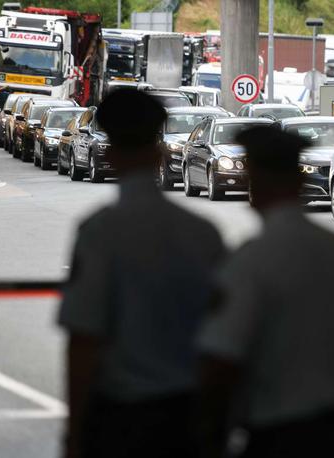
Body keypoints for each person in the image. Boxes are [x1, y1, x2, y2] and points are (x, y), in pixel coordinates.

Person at [197, 126, 334, 458]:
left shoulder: (249, 263)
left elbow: (221, 359)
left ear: (253, 187)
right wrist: (333, 385)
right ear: (301, 183)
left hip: (276, 435)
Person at [58, 89, 226, 458]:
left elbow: (84, 339)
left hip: (121, 417)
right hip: (188, 416)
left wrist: (74, 433)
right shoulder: (203, 233)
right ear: (159, 153)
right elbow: (225, 334)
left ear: (112, 156)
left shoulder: (99, 233)